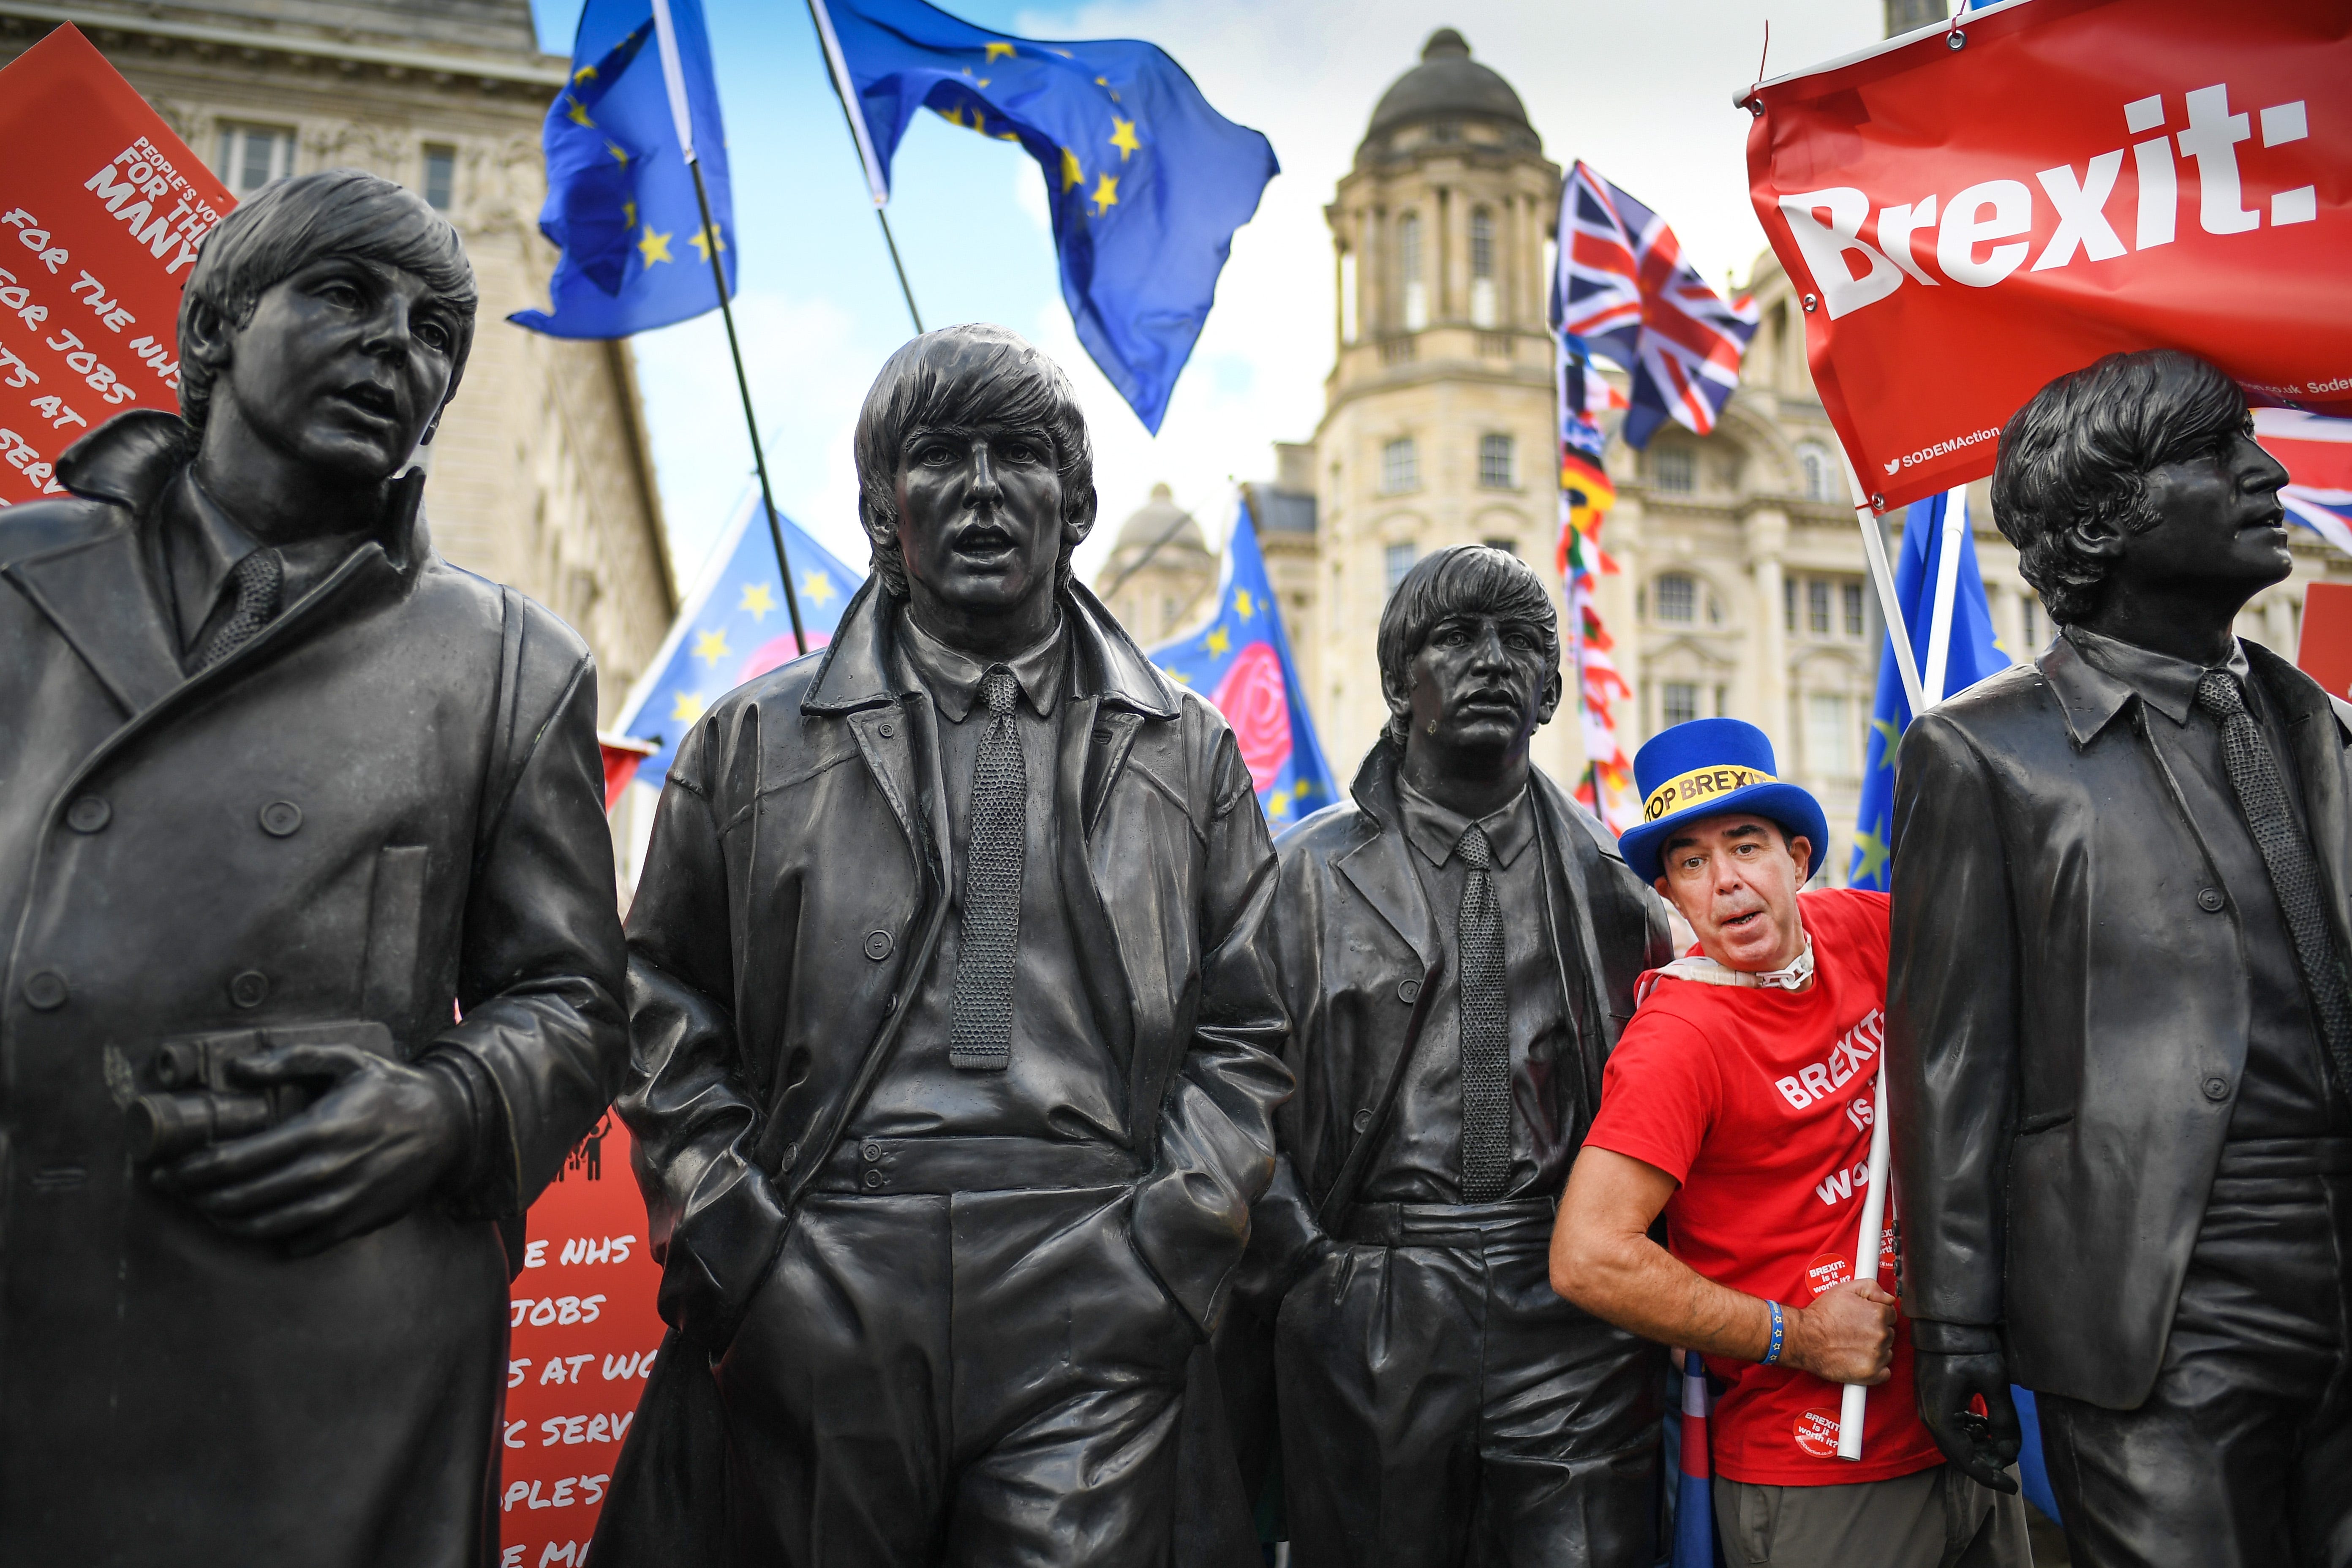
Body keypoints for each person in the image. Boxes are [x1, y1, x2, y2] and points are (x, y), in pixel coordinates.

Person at [0, 170, 628, 1565]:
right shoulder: (15, 578)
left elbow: (577, 1000)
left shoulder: (507, 660)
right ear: (218, 325)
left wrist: (452, 1111)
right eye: (344, 295)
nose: (395, 348)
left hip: (326, 1343)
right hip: (29, 1288)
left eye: (433, 336)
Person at [602, 324, 1291, 1566]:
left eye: (1019, 455)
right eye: (940, 457)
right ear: (881, 507)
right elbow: (658, 1006)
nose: (982, 490)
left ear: (1075, 502)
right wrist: (738, 1247)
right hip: (826, 1263)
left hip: (1094, 1265)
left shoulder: (1187, 752)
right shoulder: (750, 741)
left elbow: (1250, 1028)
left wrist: (1168, 1247)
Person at [1889, 348, 2352, 1567]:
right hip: (2154, 1298)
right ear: (2107, 515)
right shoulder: (1985, 755)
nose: (2266, 475)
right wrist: (1954, 1324)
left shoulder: (2320, 725)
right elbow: (1950, 1065)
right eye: (2215, 453)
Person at [1220, 545, 1673, 1566]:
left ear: (1552, 688)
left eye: (1520, 642)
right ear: (1397, 681)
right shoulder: (1302, 875)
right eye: (1455, 637)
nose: (1491, 661)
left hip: (1566, 1294)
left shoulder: (1612, 886)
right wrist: (1308, 1262)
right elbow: (1227, 1077)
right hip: (1371, 1286)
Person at [1550, 718, 2030, 1568]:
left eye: (1746, 845)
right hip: (1817, 1466)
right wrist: (1800, 1335)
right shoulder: (1678, 1036)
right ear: (1673, 894)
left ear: (1798, 859)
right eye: (1693, 862)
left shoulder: (1867, 928)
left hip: (1962, 1420)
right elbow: (1589, 1255)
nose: (1727, 881)